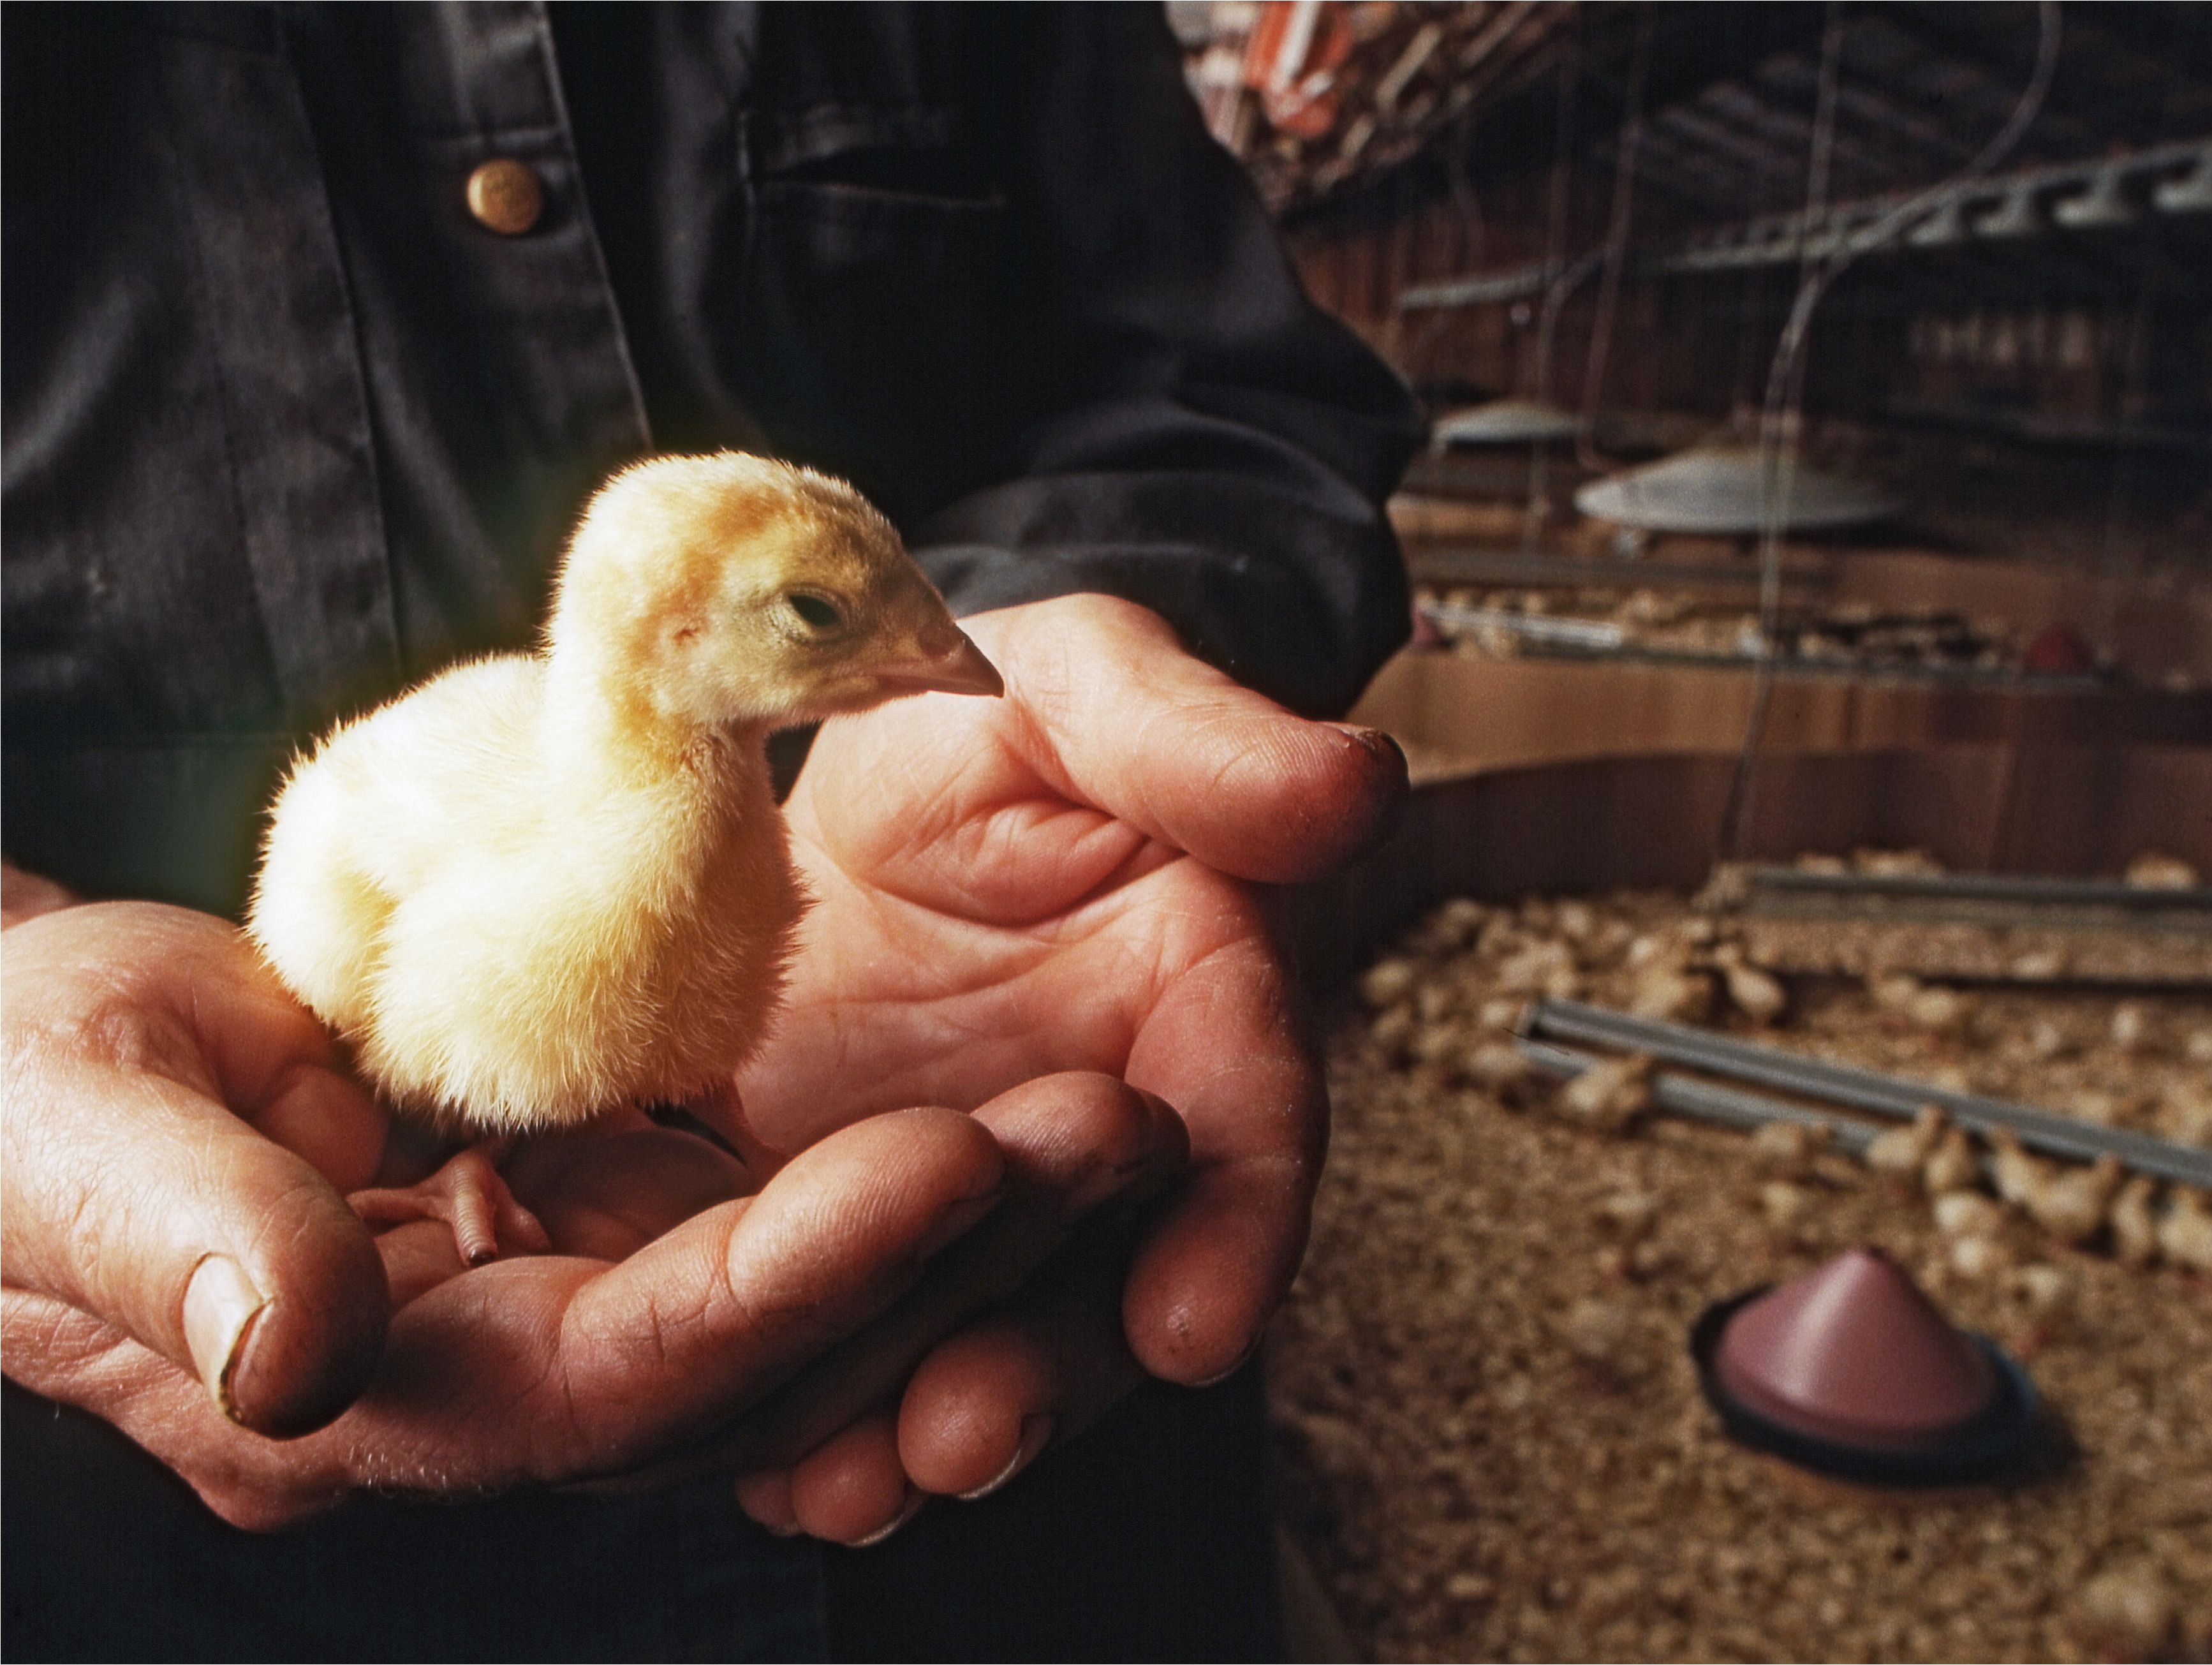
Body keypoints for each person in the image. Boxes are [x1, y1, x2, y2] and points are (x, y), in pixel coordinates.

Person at [1, 4, 1420, 1659]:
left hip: (1023, 1526)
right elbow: (338, 891)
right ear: (673, 644)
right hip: (193, 1568)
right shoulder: (460, 800)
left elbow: (1214, 386)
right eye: (830, 620)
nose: (932, 652)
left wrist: (1104, 648)